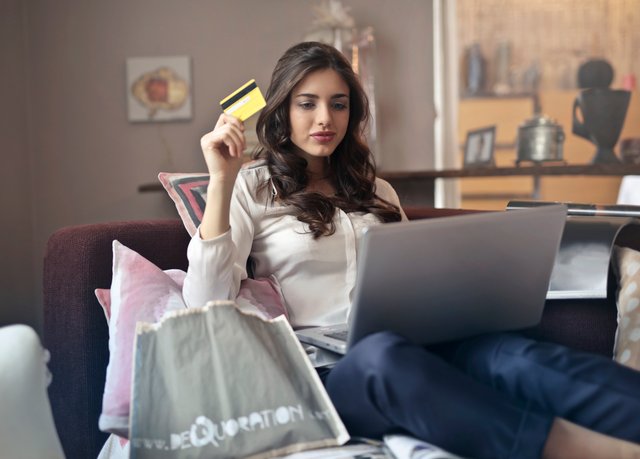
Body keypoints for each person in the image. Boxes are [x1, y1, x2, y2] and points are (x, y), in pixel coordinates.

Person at [183, 41, 640, 459]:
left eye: (338, 104)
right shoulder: (253, 188)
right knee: (383, 359)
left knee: (511, 355)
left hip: (420, 344)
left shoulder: (375, 190)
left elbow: (415, 275)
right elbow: (205, 301)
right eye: (308, 104)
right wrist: (221, 182)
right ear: (282, 109)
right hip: (333, 376)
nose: (325, 118)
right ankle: (578, 451)